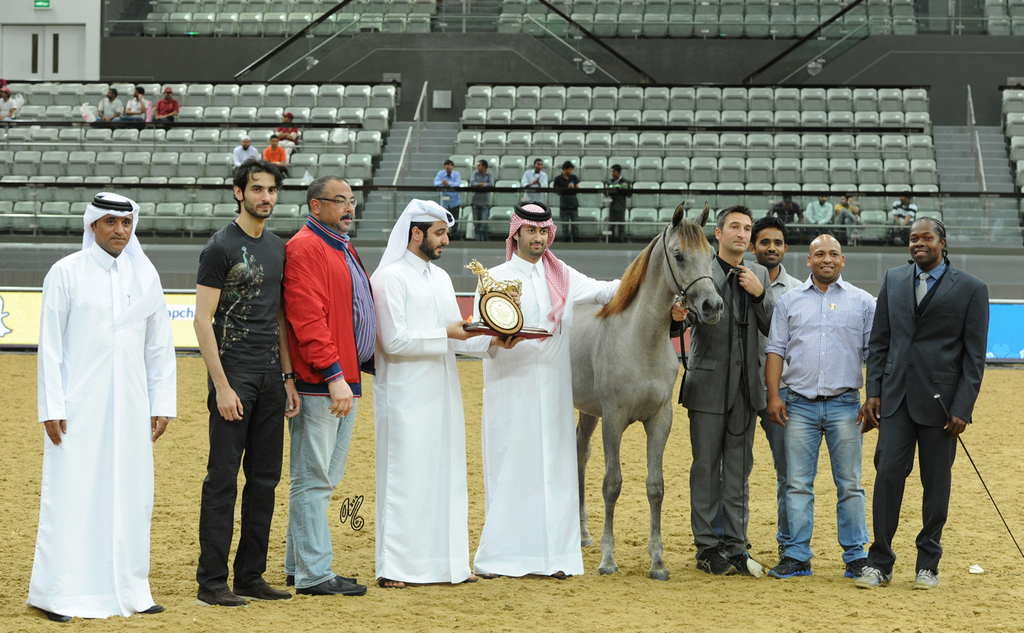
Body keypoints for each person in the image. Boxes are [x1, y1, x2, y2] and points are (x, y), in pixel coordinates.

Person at [30, 192, 176, 622]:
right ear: (93, 225)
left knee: (133, 493)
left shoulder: (145, 277)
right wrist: (51, 405)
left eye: (126, 223)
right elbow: (50, 348)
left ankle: (133, 590)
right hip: (77, 409)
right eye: (110, 222)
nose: (120, 231)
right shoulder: (66, 273)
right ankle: (58, 593)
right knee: (71, 494)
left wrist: (161, 401)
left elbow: (159, 347)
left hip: (132, 408)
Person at [472, 202, 620, 580]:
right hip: (510, 388)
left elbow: (606, 292)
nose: (537, 239)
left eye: (543, 232)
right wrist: (496, 339)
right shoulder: (494, 278)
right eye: (530, 232)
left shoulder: (564, 277)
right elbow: (472, 337)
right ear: (516, 233)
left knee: (554, 470)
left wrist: (653, 283)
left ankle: (555, 557)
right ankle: (502, 558)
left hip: (555, 393)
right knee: (511, 468)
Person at [856, 217, 989, 591]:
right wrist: (874, 392)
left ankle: (927, 564)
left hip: (943, 408)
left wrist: (963, 407)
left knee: (936, 485)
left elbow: (974, 357)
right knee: (887, 480)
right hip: (895, 401)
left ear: (942, 243)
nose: (919, 243)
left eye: (926, 237)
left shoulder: (972, 289)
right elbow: (880, 343)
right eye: (913, 238)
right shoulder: (894, 280)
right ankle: (878, 562)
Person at [370, 199, 492, 589]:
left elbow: (456, 336)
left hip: (444, 392)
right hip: (404, 395)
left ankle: (450, 566)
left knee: (448, 476)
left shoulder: (439, 278)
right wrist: (450, 333)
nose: (447, 240)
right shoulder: (389, 278)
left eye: (446, 233)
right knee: (405, 480)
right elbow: (393, 341)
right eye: (440, 233)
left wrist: (493, 340)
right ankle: (395, 568)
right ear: (416, 233)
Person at [194, 158, 299, 607]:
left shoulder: (279, 246)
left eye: (271, 190)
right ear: (239, 192)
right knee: (221, 479)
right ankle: (211, 582)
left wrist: (289, 377)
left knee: (265, 479)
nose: (266, 197)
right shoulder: (219, 247)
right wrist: (220, 386)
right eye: (257, 189)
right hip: (233, 376)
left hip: (271, 379)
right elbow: (202, 321)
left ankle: (249, 575)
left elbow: (278, 316)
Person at [765, 234, 875, 580]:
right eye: (819, 254)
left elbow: (875, 355)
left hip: (846, 404)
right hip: (798, 405)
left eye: (833, 254)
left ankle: (856, 556)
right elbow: (775, 351)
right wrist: (773, 395)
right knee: (797, 483)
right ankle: (797, 556)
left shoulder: (863, 302)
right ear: (808, 261)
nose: (827, 259)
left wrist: (874, 397)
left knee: (851, 484)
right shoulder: (789, 301)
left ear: (842, 260)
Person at [281, 176, 372, 597]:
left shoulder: (338, 244)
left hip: (341, 378)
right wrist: (334, 375)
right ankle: (315, 573)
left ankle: (298, 566)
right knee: (312, 478)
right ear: (315, 206)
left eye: (352, 201)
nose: (349, 208)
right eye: (339, 201)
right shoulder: (306, 247)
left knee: (320, 479)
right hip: (323, 382)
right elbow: (307, 318)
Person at [672, 206, 774, 576]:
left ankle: (735, 545)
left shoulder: (759, 273)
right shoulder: (700, 269)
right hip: (708, 385)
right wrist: (675, 317)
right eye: (734, 227)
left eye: (747, 228)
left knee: (738, 470)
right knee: (704, 469)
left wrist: (761, 295)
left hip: (747, 389)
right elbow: (673, 326)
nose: (742, 234)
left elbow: (774, 327)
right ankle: (706, 547)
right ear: (718, 233)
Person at [748, 215, 802, 563]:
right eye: (764, 242)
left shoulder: (798, 291)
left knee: (788, 473)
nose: (771, 248)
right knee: (733, 472)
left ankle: (788, 544)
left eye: (777, 243)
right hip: (736, 391)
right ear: (753, 246)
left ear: (785, 248)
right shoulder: (731, 281)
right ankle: (734, 541)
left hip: (780, 395)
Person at [552, 161, 580, 243]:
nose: (570, 171)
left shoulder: (574, 177)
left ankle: (576, 240)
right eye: (569, 170)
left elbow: (578, 189)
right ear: (564, 169)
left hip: (574, 204)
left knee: (575, 225)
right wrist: (566, 189)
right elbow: (557, 192)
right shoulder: (558, 179)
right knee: (565, 225)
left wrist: (573, 187)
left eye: (571, 170)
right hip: (564, 204)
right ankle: (566, 241)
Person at [469, 159, 494, 241]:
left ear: (484, 167)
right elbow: (472, 183)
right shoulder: (475, 173)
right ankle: (477, 240)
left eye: (479, 165)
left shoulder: (489, 174)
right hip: (475, 201)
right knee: (476, 223)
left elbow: (491, 184)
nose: (477, 167)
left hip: (485, 202)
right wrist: (483, 184)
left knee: (483, 223)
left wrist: (479, 185)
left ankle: (484, 240)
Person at [606, 164, 632, 242]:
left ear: (618, 172)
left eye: (613, 171)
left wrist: (626, 188)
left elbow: (629, 194)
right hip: (612, 206)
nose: (612, 173)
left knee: (621, 225)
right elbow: (606, 193)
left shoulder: (626, 182)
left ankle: (621, 241)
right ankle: (611, 241)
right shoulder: (610, 182)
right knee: (612, 225)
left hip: (621, 206)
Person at [433, 159, 462, 225]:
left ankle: (454, 235)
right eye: (447, 165)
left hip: (455, 202)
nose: (448, 166)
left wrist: (448, 183)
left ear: (453, 167)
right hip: (444, 203)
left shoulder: (457, 174)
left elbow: (458, 184)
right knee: (444, 222)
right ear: (444, 166)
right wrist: (442, 182)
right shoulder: (440, 174)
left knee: (454, 221)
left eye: (450, 165)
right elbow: (435, 183)